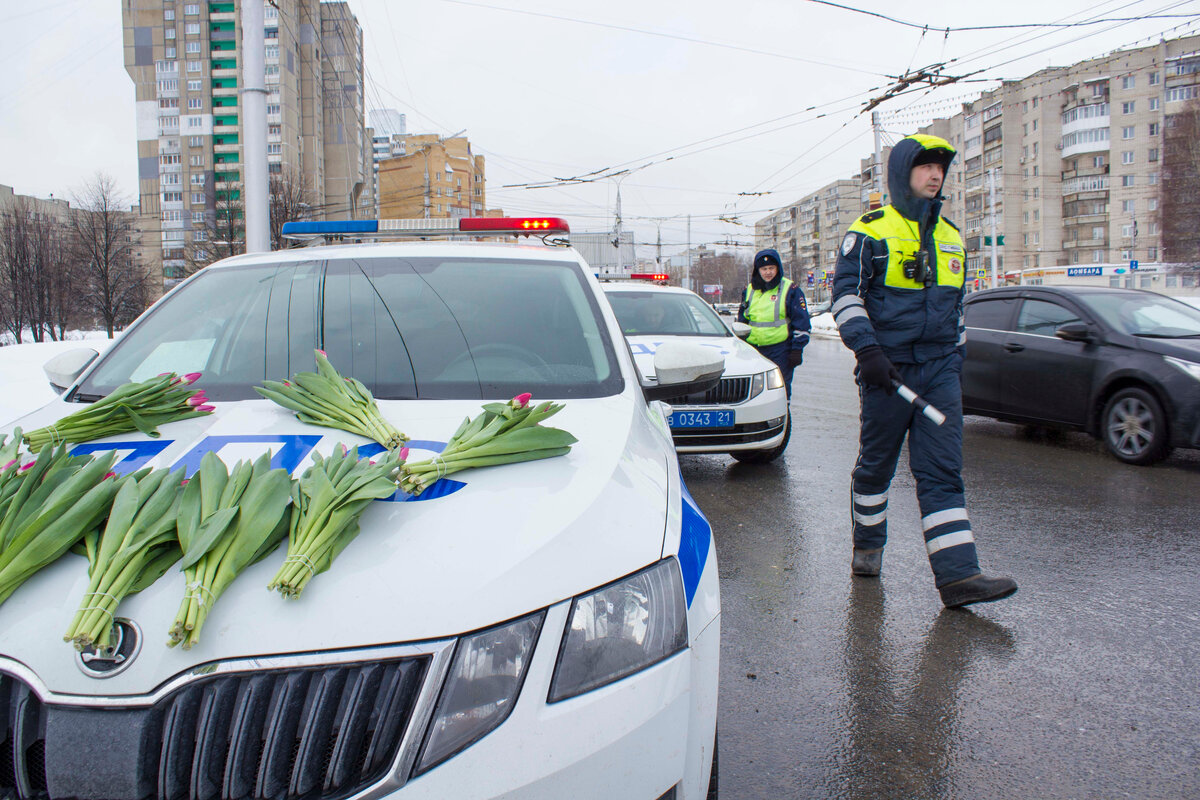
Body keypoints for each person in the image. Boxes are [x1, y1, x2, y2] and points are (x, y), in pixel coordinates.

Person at [832, 134, 1017, 608]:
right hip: (886, 372)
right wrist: (868, 352)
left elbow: (957, 313)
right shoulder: (870, 231)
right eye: (925, 166)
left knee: (942, 472)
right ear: (902, 173)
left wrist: (955, 365)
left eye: (940, 167)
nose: (935, 175)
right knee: (876, 469)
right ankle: (868, 548)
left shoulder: (953, 237)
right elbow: (846, 296)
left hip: (938, 373)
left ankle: (959, 577)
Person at [737, 248, 810, 399]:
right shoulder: (749, 290)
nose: (768, 272)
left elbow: (801, 323)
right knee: (752, 393)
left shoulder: (790, 290)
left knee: (780, 391)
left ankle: (783, 421)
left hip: (780, 350)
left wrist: (797, 350)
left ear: (778, 268)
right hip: (753, 351)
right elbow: (742, 320)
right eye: (764, 269)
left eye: (771, 268)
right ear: (758, 270)